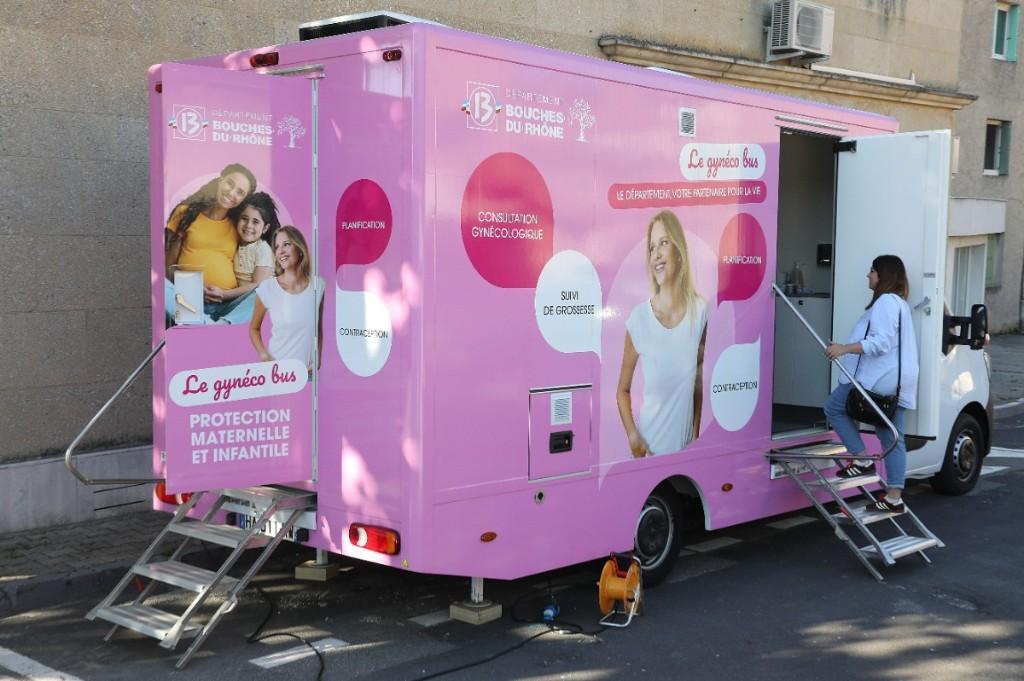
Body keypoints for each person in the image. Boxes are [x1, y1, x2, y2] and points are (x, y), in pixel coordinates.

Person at [823, 254, 919, 513]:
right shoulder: (899, 303)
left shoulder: (886, 302)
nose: (868, 275)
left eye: (872, 271)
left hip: (878, 378)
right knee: (891, 435)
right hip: (894, 379)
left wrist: (844, 349)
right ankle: (894, 498)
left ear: (882, 275)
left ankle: (862, 459)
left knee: (834, 407)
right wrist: (844, 347)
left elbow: (881, 343)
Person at [617, 210, 708, 458]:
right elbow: (622, 391)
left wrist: (695, 436)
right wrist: (633, 436)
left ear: (678, 250)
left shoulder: (700, 311)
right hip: (649, 453)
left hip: (684, 453)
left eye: (663, 243)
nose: (656, 254)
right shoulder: (639, 319)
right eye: (652, 247)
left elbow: (697, 380)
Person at [163, 163, 257, 323]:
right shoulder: (185, 213)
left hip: (227, 304)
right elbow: (168, 265)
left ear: (243, 199)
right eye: (230, 183)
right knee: (159, 283)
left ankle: (214, 325)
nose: (231, 192)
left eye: (240, 192)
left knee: (268, 289)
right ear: (220, 180)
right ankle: (207, 324)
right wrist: (194, 288)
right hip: (189, 298)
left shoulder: (239, 226)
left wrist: (224, 294)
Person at [250, 226, 324, 372]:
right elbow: (254, 328)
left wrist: (317, 360)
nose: (280, 251)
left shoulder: (318, 285)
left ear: (299, 248)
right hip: (277, 373)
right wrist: (264, 355)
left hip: (307, 374)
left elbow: (318, 328)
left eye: (286, 244)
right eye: (277, 247)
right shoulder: (268, 288)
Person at [203, 192, 279, 324]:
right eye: (244, 218)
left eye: (255, 222)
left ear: (265, 228)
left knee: (263, 291)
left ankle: (223, 324)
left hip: (255, 302)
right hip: (233, 302)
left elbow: (257, 285)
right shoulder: (235, 243)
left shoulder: (262, 249)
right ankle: (207, 321)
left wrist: (224, 294)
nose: (248, 225)